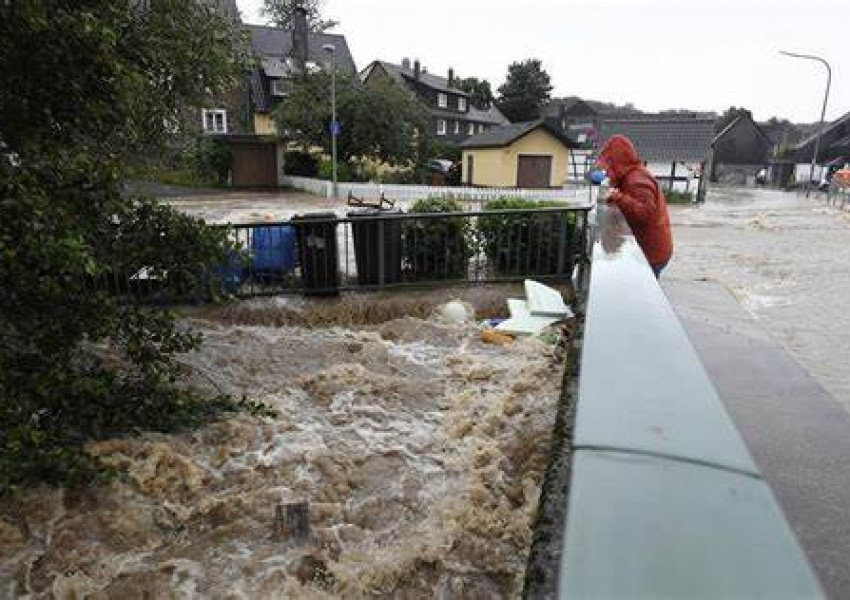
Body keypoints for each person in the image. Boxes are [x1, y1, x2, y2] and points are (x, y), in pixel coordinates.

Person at [596, 135, 673, 278]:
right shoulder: (630, 175)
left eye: (609, 164)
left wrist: (618, 197)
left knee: (644, 294)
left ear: (617, 162)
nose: (606, 171)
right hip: (651, 248)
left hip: (651, 253)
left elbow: (644, 213)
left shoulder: (637, 180)